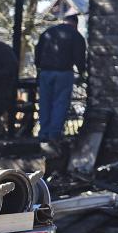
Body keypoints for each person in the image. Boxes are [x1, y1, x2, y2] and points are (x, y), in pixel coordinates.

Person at [35, 13, 87, 141]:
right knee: (60, 102)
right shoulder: (76, 36)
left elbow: (38, 52)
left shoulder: (48, 33)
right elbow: (79, 57)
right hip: (64, 72)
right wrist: (82, 73)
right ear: (75, 24)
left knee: (45, 103)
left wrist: (39, 68)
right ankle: (55, 133)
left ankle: (44, 132)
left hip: (46, 72)